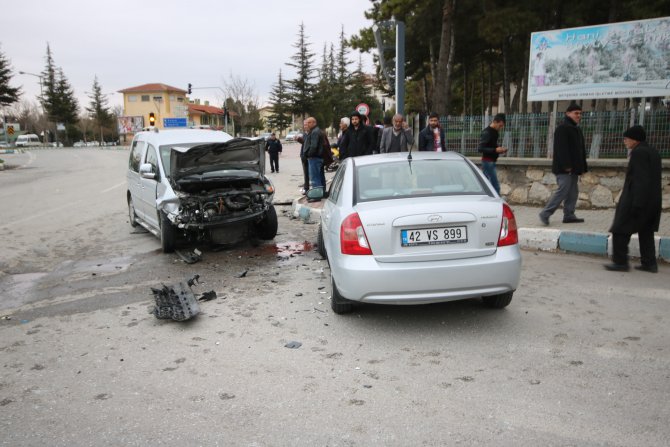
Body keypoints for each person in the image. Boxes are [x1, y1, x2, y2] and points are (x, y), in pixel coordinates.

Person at [604, 126, 662, 273]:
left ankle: (620, 262)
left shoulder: (638, 153)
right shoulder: (653, 151)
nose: (624, 141)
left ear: (634, 139)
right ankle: (649, 264)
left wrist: (637, 203)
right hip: (653, 201)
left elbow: (640, 180)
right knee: (646, 232)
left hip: (638, 200)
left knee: (620, 229)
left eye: (626, 138)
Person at [539, 103, 588, 225]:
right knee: (563, 190)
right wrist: (567, 166)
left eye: (580, 113)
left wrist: (582, 167)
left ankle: (569, 215)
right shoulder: (563, 128)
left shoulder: (576, 128)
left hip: (574, 168)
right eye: (576, 113)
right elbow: (561, 149)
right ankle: (545, 213)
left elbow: (580, 150)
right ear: (567, 113)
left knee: (573, 192)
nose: (579, 115)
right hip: (564, 168)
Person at [478, 113, 507, 194]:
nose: (501, 128)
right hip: (488, 162)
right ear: (495, 122)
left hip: (491, 161)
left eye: (502, 126)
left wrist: (500, 149)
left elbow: (492, 145)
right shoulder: (487, 132)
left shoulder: (495, 132)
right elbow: (480, 148)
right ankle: (497, 205)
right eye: (500, 125)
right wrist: (495, 150)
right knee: (495, 187)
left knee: (486, 186)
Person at [304, 117, 325, 201]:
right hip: (318, 157)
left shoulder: (315, 132)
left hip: (314, 158)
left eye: (309, 123)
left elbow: (313, 146)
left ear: (314, 123)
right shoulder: (316, 131)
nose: (307, 124)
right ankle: (321, 193)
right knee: (319, 177)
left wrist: (309, 155)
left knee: (314, 178)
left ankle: (316, 196)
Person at [296, 120, 309, 195]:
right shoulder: (305, 133)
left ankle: (309, 189)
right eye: (304, 125)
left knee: (310, 173)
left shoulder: (311, 134)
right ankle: (306, 188)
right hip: (303, 155)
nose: (305, 126)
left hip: (309, 156)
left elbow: (307, 143)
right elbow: (304, 143)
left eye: (306, 125)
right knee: (306, 173)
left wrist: (299, 139)